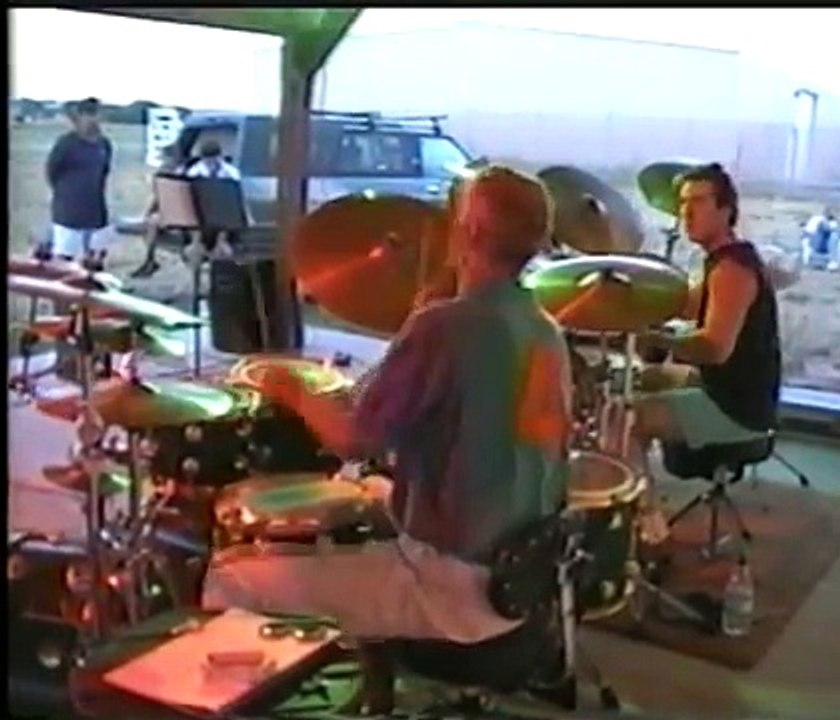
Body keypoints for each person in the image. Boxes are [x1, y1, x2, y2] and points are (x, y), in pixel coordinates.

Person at [202, 166, 571, 648]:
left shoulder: (450, 326)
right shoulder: (544, 327)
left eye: (455, 214)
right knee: (369, 489)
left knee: (233, 576)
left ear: (470, 231)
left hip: (452, 586)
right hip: (525, 572)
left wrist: (287, 386)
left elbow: (353, 439)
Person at [619, 163, 781, 483]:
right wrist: (622, 303)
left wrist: (656, 339)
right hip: (722, 388)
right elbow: (681, 305)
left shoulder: (731, 269)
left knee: (626, 419)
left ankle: (643, 520)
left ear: (726, 210)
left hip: (736, 408)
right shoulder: (720, 261)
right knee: (639, 377)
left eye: (698, 202)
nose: (685, 213)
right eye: (682, 203)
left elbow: (713, 349)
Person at [45, 97, 112, 261]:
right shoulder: (66, 143)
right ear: (79, 117)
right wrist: (64, 193)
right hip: (68, 212)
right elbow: (51, 171)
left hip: (96, 212)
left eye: (96, 114)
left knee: (95, 259)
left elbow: (104, 173)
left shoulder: (104, 145)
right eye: (89, 114)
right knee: (64, 261)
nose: (93, 120)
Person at [130, 143, 186, 278]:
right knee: (151, 222)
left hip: (184, 212)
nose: (165, 162)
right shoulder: (162, 174)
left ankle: (150, 260)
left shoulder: (185, 173)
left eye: (167, 159)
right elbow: (158, 197)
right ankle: (149, 260)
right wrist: (148, 213)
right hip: (168, 212)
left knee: (153, 222)